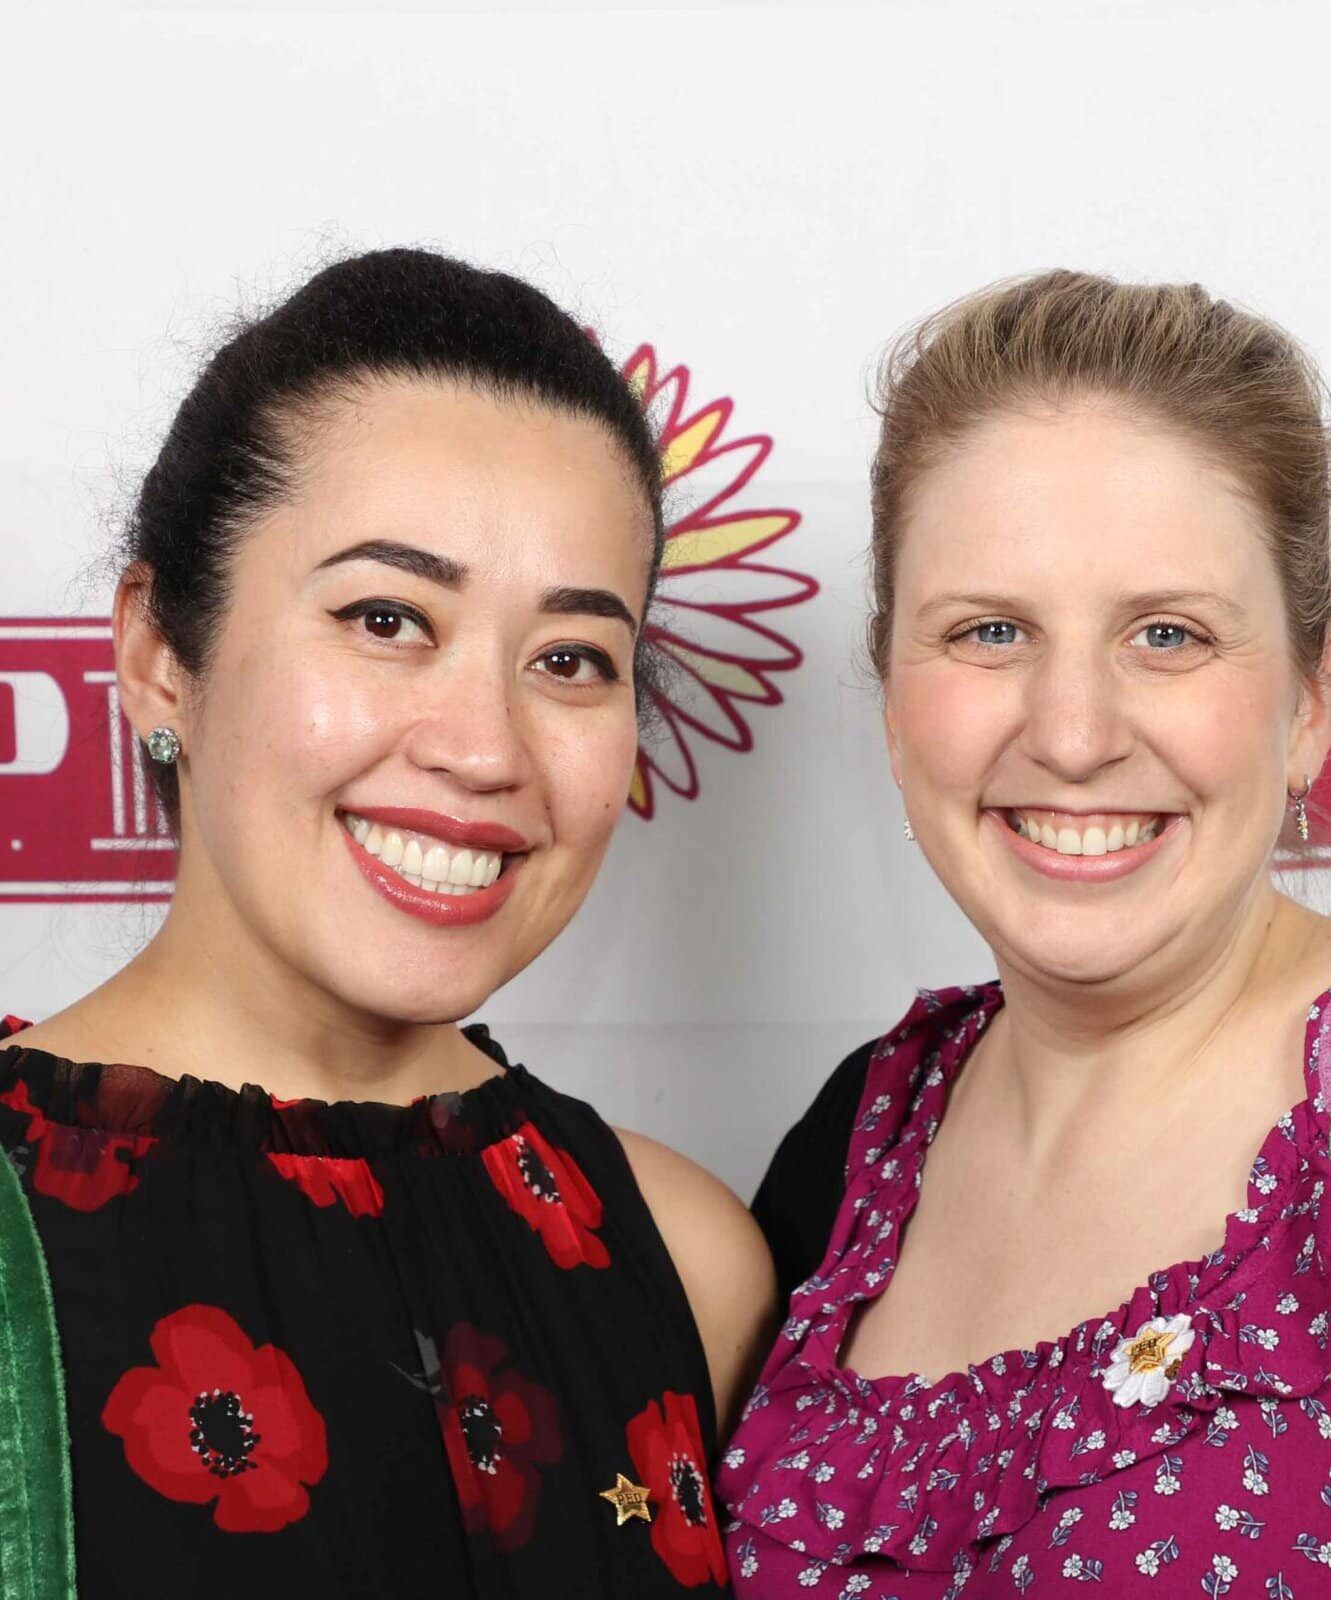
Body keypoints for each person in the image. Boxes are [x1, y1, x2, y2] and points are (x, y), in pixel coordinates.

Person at [719, 272, 1331, 1597]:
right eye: (990, 631)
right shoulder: (850, 1148)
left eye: (1170, 634)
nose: (1072, 732)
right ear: (895, 701)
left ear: (1312, 699)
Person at [0, 248, 773, 1597]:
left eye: (572, 659)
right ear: (156, 654)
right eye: (386, 617)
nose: (484, 748)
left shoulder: (689, 1264)